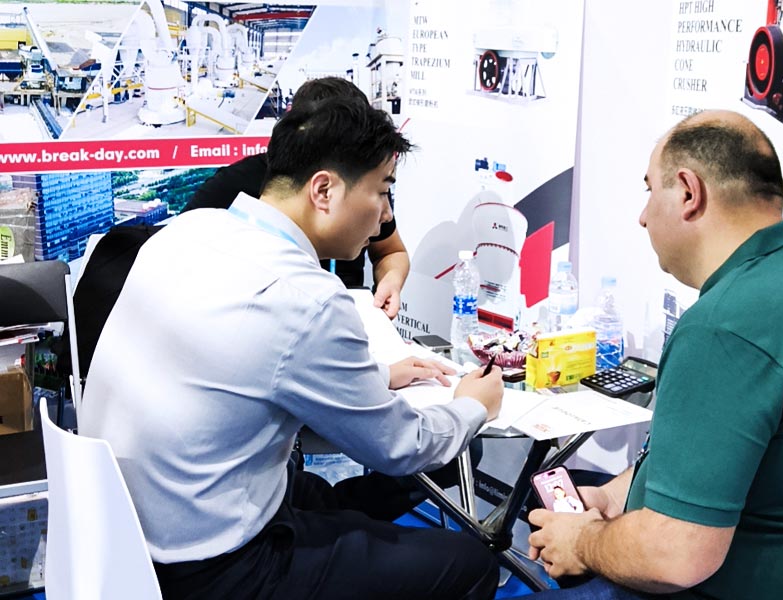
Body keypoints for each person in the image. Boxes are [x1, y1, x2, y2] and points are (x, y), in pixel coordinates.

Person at [79, 96, 505, 599]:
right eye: (381, 192)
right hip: (212, 567)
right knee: (471, 564)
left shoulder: (191, 230)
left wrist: (378, 376)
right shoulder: (307, 298)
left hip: (127, 530)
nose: (385, 215)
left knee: (331, 499)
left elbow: (243, 364)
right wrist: (473, 406)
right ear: (323, 190)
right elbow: (400, 446)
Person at [526, 110, 783, 600]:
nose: (642, 216)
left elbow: (675, 556)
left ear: (688, 192)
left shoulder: (726, 325)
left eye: (649, 191)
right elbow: (711, 459)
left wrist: (583, 541)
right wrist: (612, 499)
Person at [183, 77, 408, 319]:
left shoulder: (365, 183)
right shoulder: (236, 183)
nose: (386, 214)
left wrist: (390, 281)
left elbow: (391, 251)